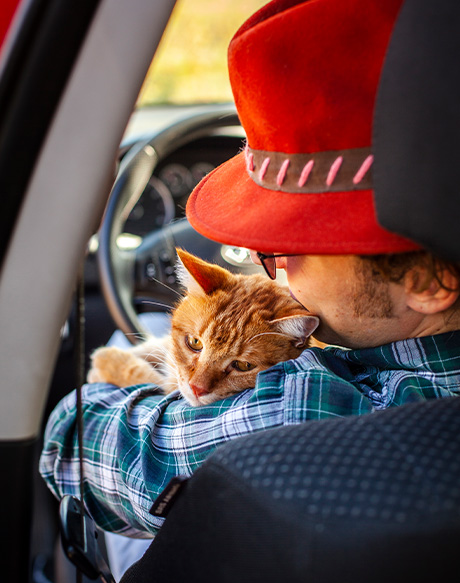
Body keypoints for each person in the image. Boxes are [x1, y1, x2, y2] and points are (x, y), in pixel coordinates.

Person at [40, 0, 460, 545]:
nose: (275, 272)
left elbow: (69, 442)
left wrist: (123, 376)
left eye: (288, 249)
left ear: (429, 282)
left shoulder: (307, 407)